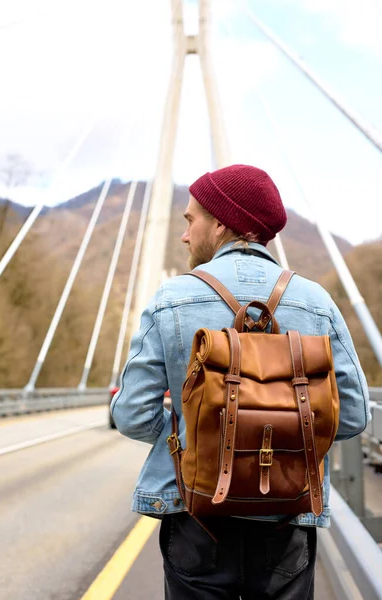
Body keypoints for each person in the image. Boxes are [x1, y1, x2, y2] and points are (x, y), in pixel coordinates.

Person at [111, 164, 370, 599]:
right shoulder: (316, 302)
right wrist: (287, 436)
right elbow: (355, 414)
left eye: (191, 220)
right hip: (286, 521)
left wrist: (195, 437)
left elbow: (133, 414)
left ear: (221, 223)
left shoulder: (171, 298)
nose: (185, 235)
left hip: (197, 518)